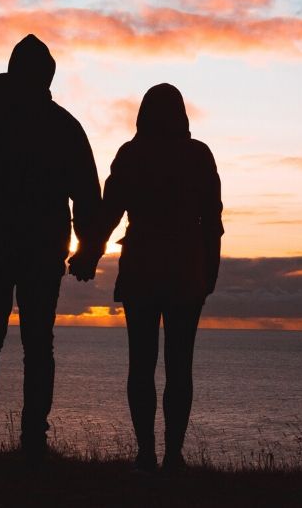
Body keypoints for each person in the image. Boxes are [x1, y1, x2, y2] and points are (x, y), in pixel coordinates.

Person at [0, 34, 103, 464]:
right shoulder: (62, 125)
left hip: (1, 247)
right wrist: (87, 248)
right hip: (35, 249)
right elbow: (87, 195)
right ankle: (28, 439)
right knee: (35, 345)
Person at [70, 83, 223, 473]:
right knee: (179, 366)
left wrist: (88, 254)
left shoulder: (131, 154)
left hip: (142, 270)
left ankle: (147, 454)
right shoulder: (198, 155)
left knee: (141, 364)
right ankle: (171, 456)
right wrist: (209, 274)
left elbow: (109, 214)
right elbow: (213, 224)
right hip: (187, 272)